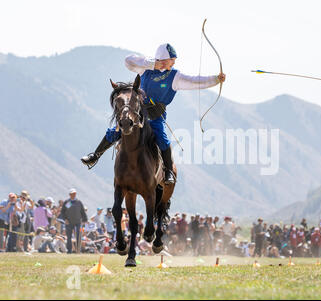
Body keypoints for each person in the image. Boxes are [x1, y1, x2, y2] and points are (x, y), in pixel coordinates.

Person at [81, 43, 226, 184]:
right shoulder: (145, 69)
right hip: (139, 114)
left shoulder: (175, 76)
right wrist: (152, 64)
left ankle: (168, 171)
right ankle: (95, 155)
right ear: (163, 60)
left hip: (156, 116)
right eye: (171, 60)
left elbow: (195, 81)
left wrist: (215, 79)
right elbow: (128, 61)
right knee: (116, 130)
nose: (174, 63)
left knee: (163, 139)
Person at [59, 188, 88, 253]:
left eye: (75, 193)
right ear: (70, 194)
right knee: (69, 237)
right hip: (69, 222)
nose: (74, 195)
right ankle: (69, 251)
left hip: (78, 222)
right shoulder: (67, 202)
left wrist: (85, 220)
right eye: (72, 193)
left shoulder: (79, 202)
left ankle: (78, 250)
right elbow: (63, 212)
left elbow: (82, 211)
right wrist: (65, 219)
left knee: (78, 236)